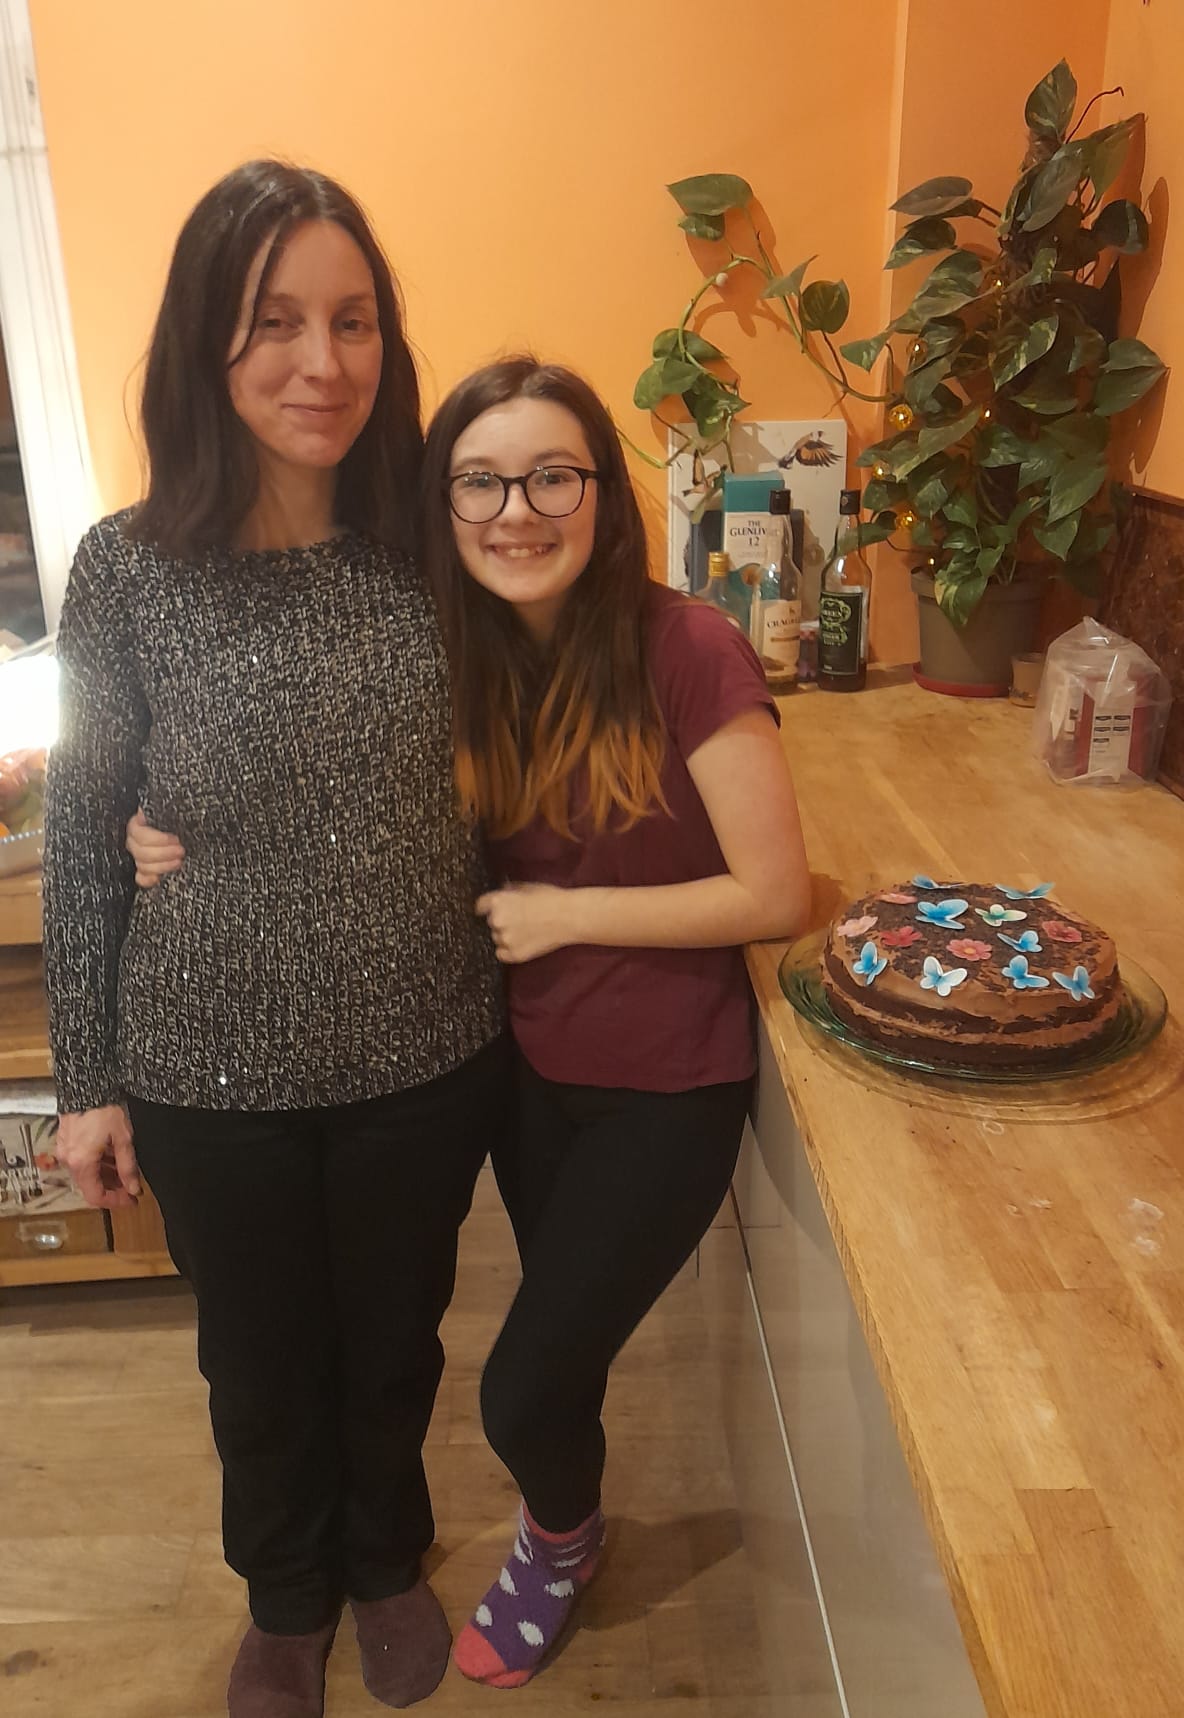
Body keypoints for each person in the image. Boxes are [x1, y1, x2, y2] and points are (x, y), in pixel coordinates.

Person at [130, 355, 812, 1689]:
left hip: (666, 1084)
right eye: (481, 482)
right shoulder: (468, 649)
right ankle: (551, 1502)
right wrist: (160, 826)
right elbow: (316, 780)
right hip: (521, 1066)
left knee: (519, 1381)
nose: (517, 509)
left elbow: (778, 890)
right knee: (557, 1348)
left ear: (606, 495)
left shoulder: (690, 646)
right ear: (440, 507)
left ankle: (560, 1541)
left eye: (552, 474)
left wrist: (566, 917)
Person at [42, 161, 508, 1718]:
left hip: (421, 1052)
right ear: (206, 342)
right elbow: (87, 822)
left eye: (355, 319)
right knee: (256, 1368)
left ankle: (386, 1560)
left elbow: (574, 672)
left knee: (392, 1348)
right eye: (276, 322)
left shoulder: (432, 543)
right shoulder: (124, 569)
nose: (326, 363)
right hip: (204, 1068)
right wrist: (89, 1081)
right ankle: (284, 1591)